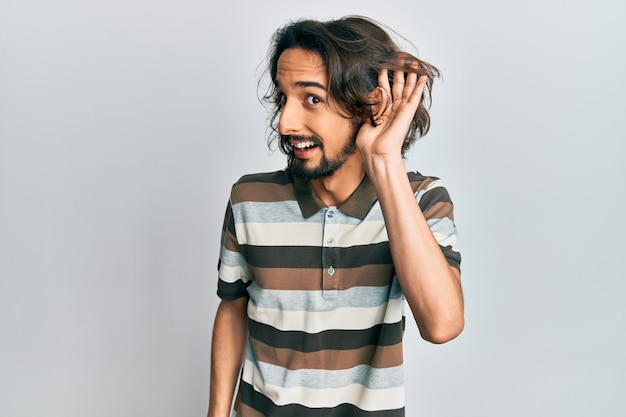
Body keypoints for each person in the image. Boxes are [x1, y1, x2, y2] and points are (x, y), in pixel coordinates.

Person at [208, 15, 464, 417]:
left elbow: (442, 325)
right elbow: (232, 307)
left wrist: (384, 160)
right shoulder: (249, 198)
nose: (284, 122)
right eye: (283, 97)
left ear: (372, 103)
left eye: (312, 98)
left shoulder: (421, 200)